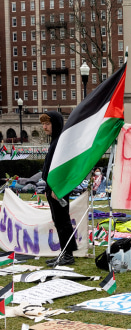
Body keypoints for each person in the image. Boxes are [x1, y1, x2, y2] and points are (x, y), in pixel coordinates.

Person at [40, 111, 78, 266]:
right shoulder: (56, 141)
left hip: (58, 189)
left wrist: (57, 188)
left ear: (55, 124)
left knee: (62, 222)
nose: (44, 127)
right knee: (59, 221)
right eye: (43, 124)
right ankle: (65, 253)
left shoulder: (60, 142)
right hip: (53, 188)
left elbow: (62, 169)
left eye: (47, 124)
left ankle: (68, 255)